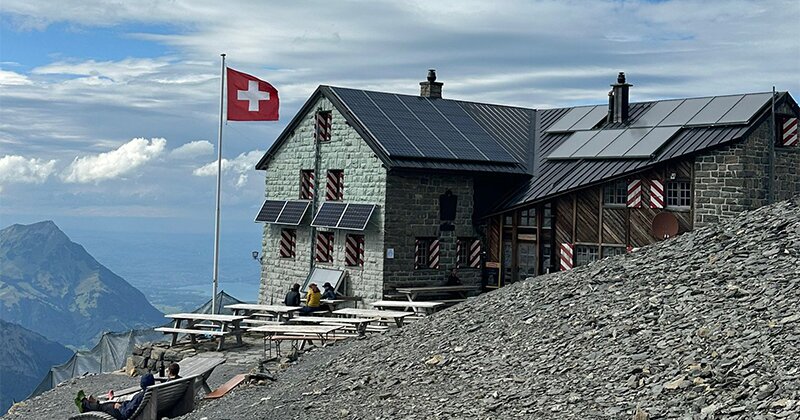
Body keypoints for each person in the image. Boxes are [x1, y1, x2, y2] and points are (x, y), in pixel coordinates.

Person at [76, 373, 155, 420]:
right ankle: (93, 402)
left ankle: (84, 404)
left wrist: (119, 407)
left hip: (121, 413)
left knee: (103, 407)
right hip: (127, 406)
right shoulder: (154, 392)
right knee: (108, 404)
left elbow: (126, 413)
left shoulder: (140, 396)